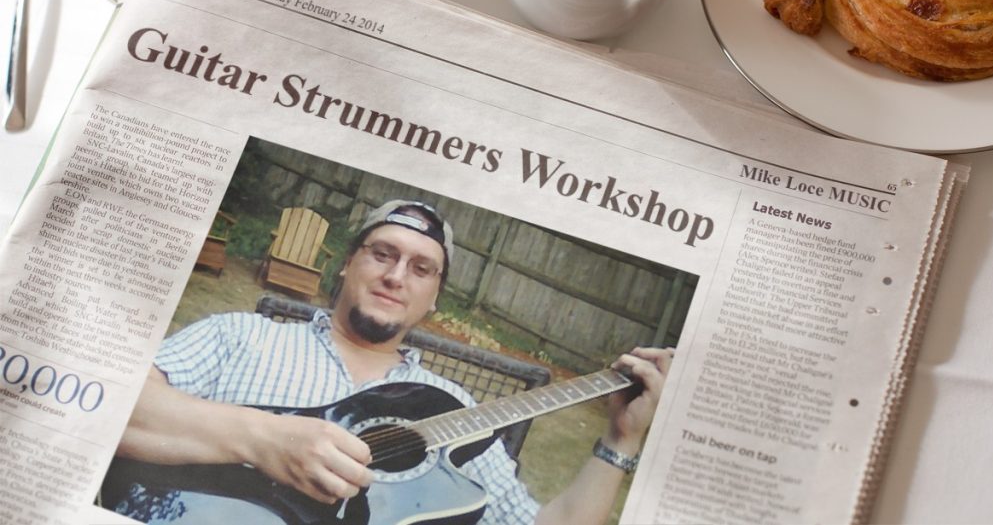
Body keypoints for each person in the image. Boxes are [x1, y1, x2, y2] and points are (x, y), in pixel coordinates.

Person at [111, 200, 673, 524]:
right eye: (383, 254)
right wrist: (264, 438)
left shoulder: (457, 411)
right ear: (348, 265)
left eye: (421, 269)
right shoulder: (240, 335)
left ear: (432, 299)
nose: (396, 276)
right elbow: (114, 403)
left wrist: (620, 442)